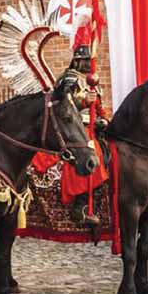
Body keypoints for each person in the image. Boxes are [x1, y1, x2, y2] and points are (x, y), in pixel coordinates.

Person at [31, 17, 110, 227]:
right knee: (92, 154)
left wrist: (105, 118)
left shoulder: (92, 80)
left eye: (89, 61)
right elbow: (63, 106)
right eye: (84, 61)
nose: (87, 64)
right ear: (76, 61)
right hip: (73, 125)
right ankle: (80, 204)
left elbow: (100, 107)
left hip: (94, 125)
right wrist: (84, 101)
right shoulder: (68, 80)